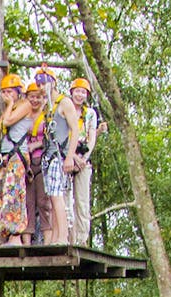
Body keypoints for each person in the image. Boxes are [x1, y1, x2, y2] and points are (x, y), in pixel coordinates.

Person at [0, 74, 33, 244]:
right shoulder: (9, 108)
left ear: (18, 92)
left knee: (14, 193)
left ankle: (16, 235)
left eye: (10, 91)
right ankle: (8, 234)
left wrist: (9, 104)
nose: (7, 95)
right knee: (4, 194)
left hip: (17, 157)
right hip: (5, 157)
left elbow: (8, 121)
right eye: (4, 92)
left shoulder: (24, 105)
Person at [34, 65, 81, 244]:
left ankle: (63, 236)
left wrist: (70, 157)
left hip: (59, 156)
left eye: (43, 83)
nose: (40, 87)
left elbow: (75, 130)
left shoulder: (64, 103)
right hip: (48, 155)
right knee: (51, 198)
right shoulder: (47, 107)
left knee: (57, 196)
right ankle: (54, 235)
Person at [67, 77, 106, 245]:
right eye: (77, 91)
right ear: (71, 92)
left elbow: (91, 138)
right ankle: (69, 238)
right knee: (67, 201)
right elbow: (61, 135)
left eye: (83, 92)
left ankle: (82, 239)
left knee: (82, 202)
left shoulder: (90, 114)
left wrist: (83, 158)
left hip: (83, 159)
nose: (80, 95)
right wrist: (73, 157)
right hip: (68, 157)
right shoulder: (65, 110)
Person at [21, 82, 53, 245]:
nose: (35, 100)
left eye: (38, 97)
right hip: (25, 162)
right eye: (32, 97)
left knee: (43, 201)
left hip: (41, 161)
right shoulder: (23, 114)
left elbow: (51, 139)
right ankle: (27, 240)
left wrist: (37, 144)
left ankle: (47, 240)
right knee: (28, 202)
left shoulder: (47, 117)